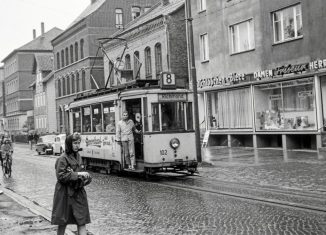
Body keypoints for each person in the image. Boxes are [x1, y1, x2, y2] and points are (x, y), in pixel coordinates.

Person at [51, 132, 91, 235]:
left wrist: (86, 179)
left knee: (82, 221)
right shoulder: (62, 158)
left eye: (78, 143)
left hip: (78, 193)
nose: (77, 145)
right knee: (62, 221)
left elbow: (80, 172)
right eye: (75, 143)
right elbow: (61, 176)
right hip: (65, 194)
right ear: (69, 143)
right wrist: (77, 174)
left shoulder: (79, 157)